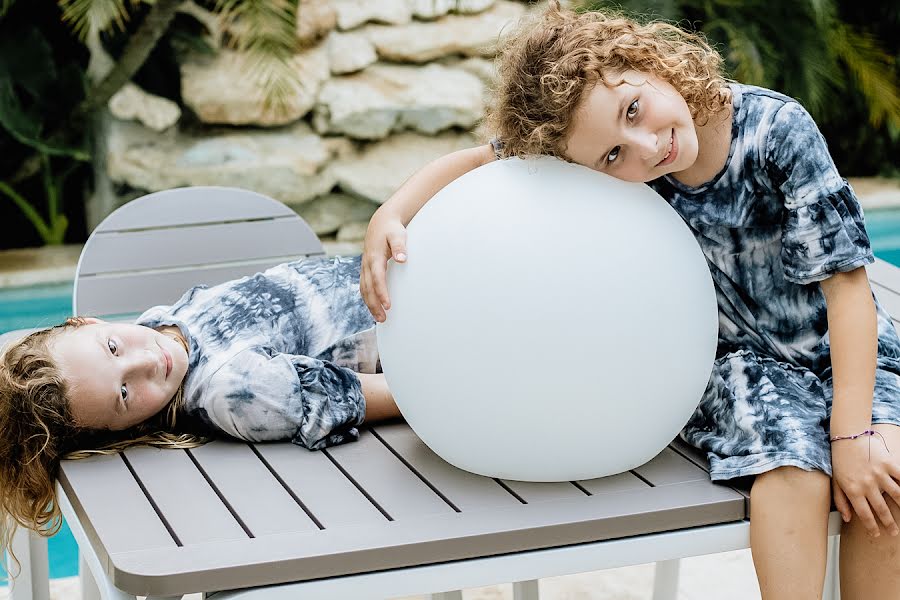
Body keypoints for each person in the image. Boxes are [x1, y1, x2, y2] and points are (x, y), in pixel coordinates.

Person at [359, 2, 900, 597]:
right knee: (792, 471)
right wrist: (393, 211)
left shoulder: (776, 131)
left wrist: (852, 438)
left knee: (885, 483)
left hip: (847, 349)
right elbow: (481, 159)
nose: (646, 147)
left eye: (634, 110)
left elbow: (848, 291)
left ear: (648, 62)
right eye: (612, 155)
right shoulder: (615, 162)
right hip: (743, 367)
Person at [0, 254, 399, 561]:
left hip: (399, 265)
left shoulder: (162, 323)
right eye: (123, 393)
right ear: (121, 429)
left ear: (86, 322)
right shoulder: (237, 391)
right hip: (425, 313)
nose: (147, 363)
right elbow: (401, 393)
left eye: (112, 347)